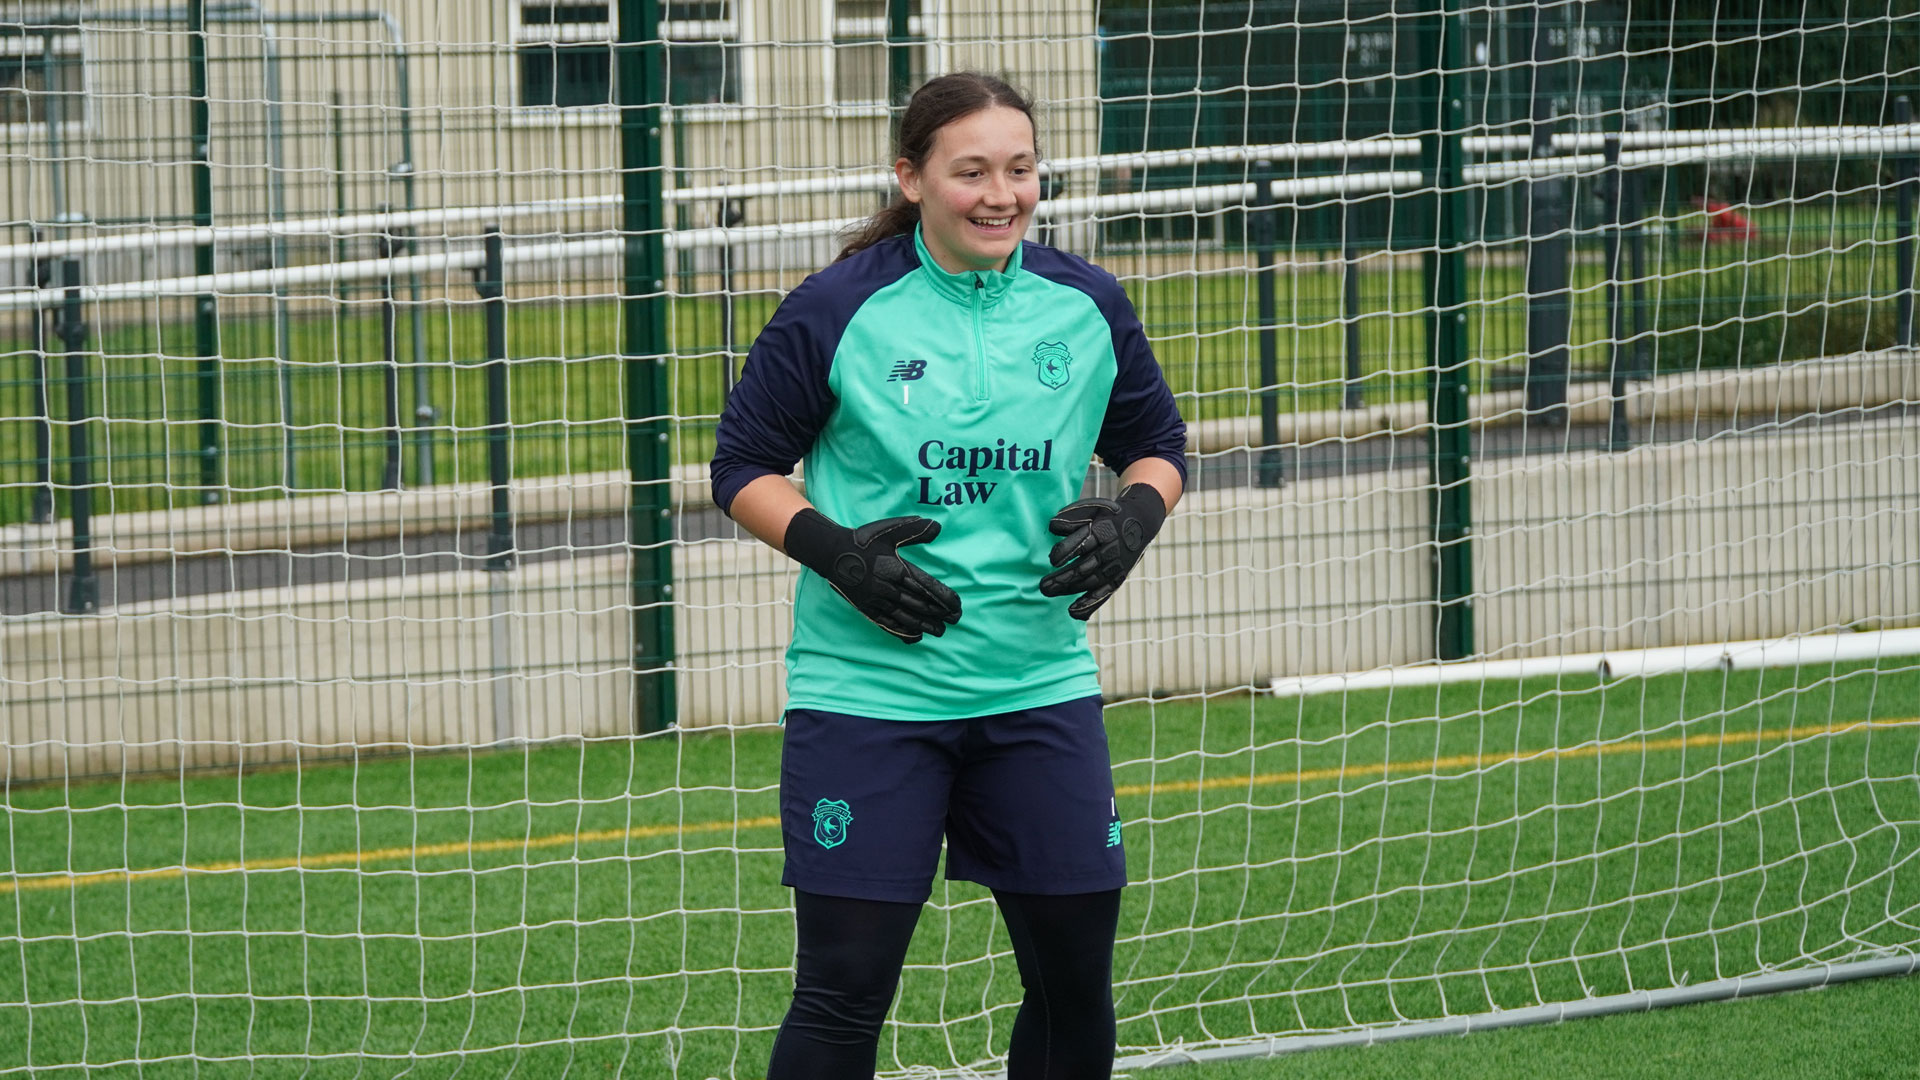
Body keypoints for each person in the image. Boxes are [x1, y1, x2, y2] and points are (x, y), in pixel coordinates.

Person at [708, 71, 1187, 1079]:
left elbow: (1158, 445)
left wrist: (1134, 519)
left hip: (1038, 687)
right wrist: (838, 556)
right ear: (912, 176)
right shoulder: (839, 307)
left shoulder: (1087, 304)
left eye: (1020, 170)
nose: (1000, 194)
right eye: (970, 171)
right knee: (842, 995)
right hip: (869, 695)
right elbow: (741, 468)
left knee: (1073, 986)